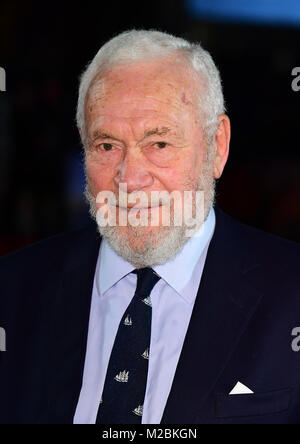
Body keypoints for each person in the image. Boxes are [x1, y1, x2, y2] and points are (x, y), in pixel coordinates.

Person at [0, 29, 299, 425]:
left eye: (158, 144)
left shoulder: (291, 292)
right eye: (107, 146)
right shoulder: (13, 288)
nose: (131, 179)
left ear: (217, 146)